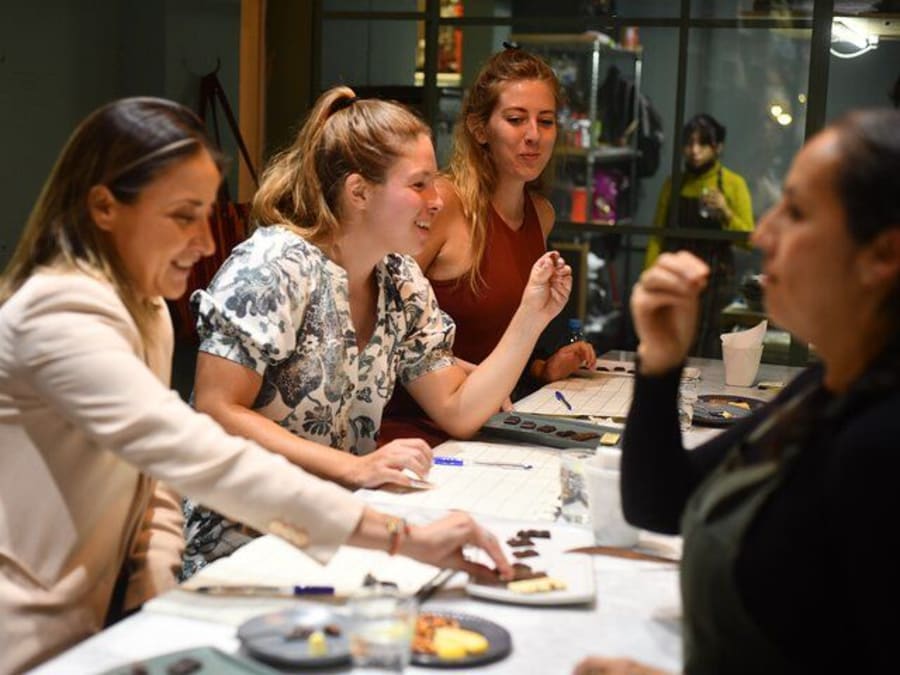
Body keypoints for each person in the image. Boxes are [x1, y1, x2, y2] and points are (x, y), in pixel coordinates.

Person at [0, 97, 515, 675]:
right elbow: (197, 453)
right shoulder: (60, 315)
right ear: (104, 208)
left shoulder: (146, 310)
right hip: (28, 633)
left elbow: (156, 480)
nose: (205, 242)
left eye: (206, 215)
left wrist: (155, 589)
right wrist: (399, 536)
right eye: (183, 216)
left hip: (106, 620)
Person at [184, 85, 572, 571]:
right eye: (419, 184)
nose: (437, 200)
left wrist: (531, 318)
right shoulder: (273, 267)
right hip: (243, 540)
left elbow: (457, 410)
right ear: (359, 193)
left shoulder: (399, 278)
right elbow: (217, 409)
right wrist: (354, 467)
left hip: (338, 530)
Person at [574, 108, 900, 674]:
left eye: (795, 212)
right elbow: (662, 503)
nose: (761, 234)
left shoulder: (882, 445)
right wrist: (660, 364)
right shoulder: (824, 388)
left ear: (884, 255)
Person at [379, 44, 596, 447]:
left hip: (493, 423)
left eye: (546, 121)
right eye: (515, 119)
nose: (533, 135)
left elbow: (495, 336)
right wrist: (460, 373)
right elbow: (380, 324)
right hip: (416, 429)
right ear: (480, 129)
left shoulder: (541, 214)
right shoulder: (441, 205)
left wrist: (541, 369)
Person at [645, 113, 754, 357]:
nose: (694, 150)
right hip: (676, 279)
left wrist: (726, 212)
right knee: (672, 342)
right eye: (689, 143)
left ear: (718, 147)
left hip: (716, 281)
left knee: (709, 345)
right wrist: (649, 278)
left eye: (703, 143)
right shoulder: (673, 184)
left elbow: (748, 241)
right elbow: (657, 236)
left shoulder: (733, 184)